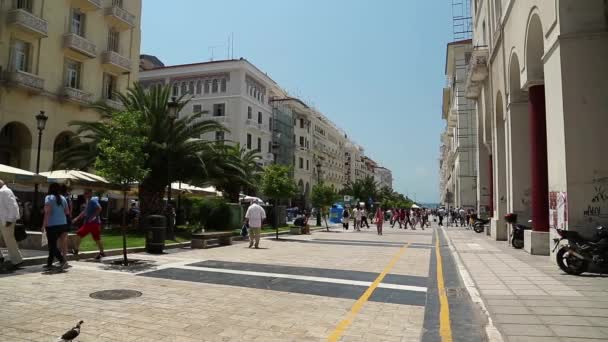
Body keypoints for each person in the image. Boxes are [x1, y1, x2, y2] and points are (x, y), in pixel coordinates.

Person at [42, 183, 69, 269]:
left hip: (52, 225)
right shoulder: (63, 198)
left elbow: (47, 213)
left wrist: (43, 225)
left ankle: (62, 260)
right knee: (53, 244)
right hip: (63, 224)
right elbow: (67, 212)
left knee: (52, 245)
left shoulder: (48, 198)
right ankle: (49, 263)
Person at [71, 189, 105, 260]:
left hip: (91, 223)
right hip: (95, 223)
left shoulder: (92, 200)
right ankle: (102, 253)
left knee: (79, 234)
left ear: (91, 193)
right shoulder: (89, 201)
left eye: (86, 193)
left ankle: (76, 250)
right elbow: (84, 211)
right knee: (97, 238)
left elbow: (99, 208)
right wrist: (77, 218)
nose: (84, 195)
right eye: (84, 193)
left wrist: (92, 217)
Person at [0, 179, 23, 268]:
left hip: (6, 220)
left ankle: (17, 260)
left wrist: (10, 219)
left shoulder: (5, 191)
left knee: (9, 240)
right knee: (9, 240)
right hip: (2, 219)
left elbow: (13, 206)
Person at [59, 184, 72, 258]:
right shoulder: (68, 198)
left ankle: (62, 256)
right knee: (64, 238)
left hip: (62, 219)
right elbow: (70, 210)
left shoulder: (61, 198)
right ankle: (64, 256)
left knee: (61, 239)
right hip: (67, 219)